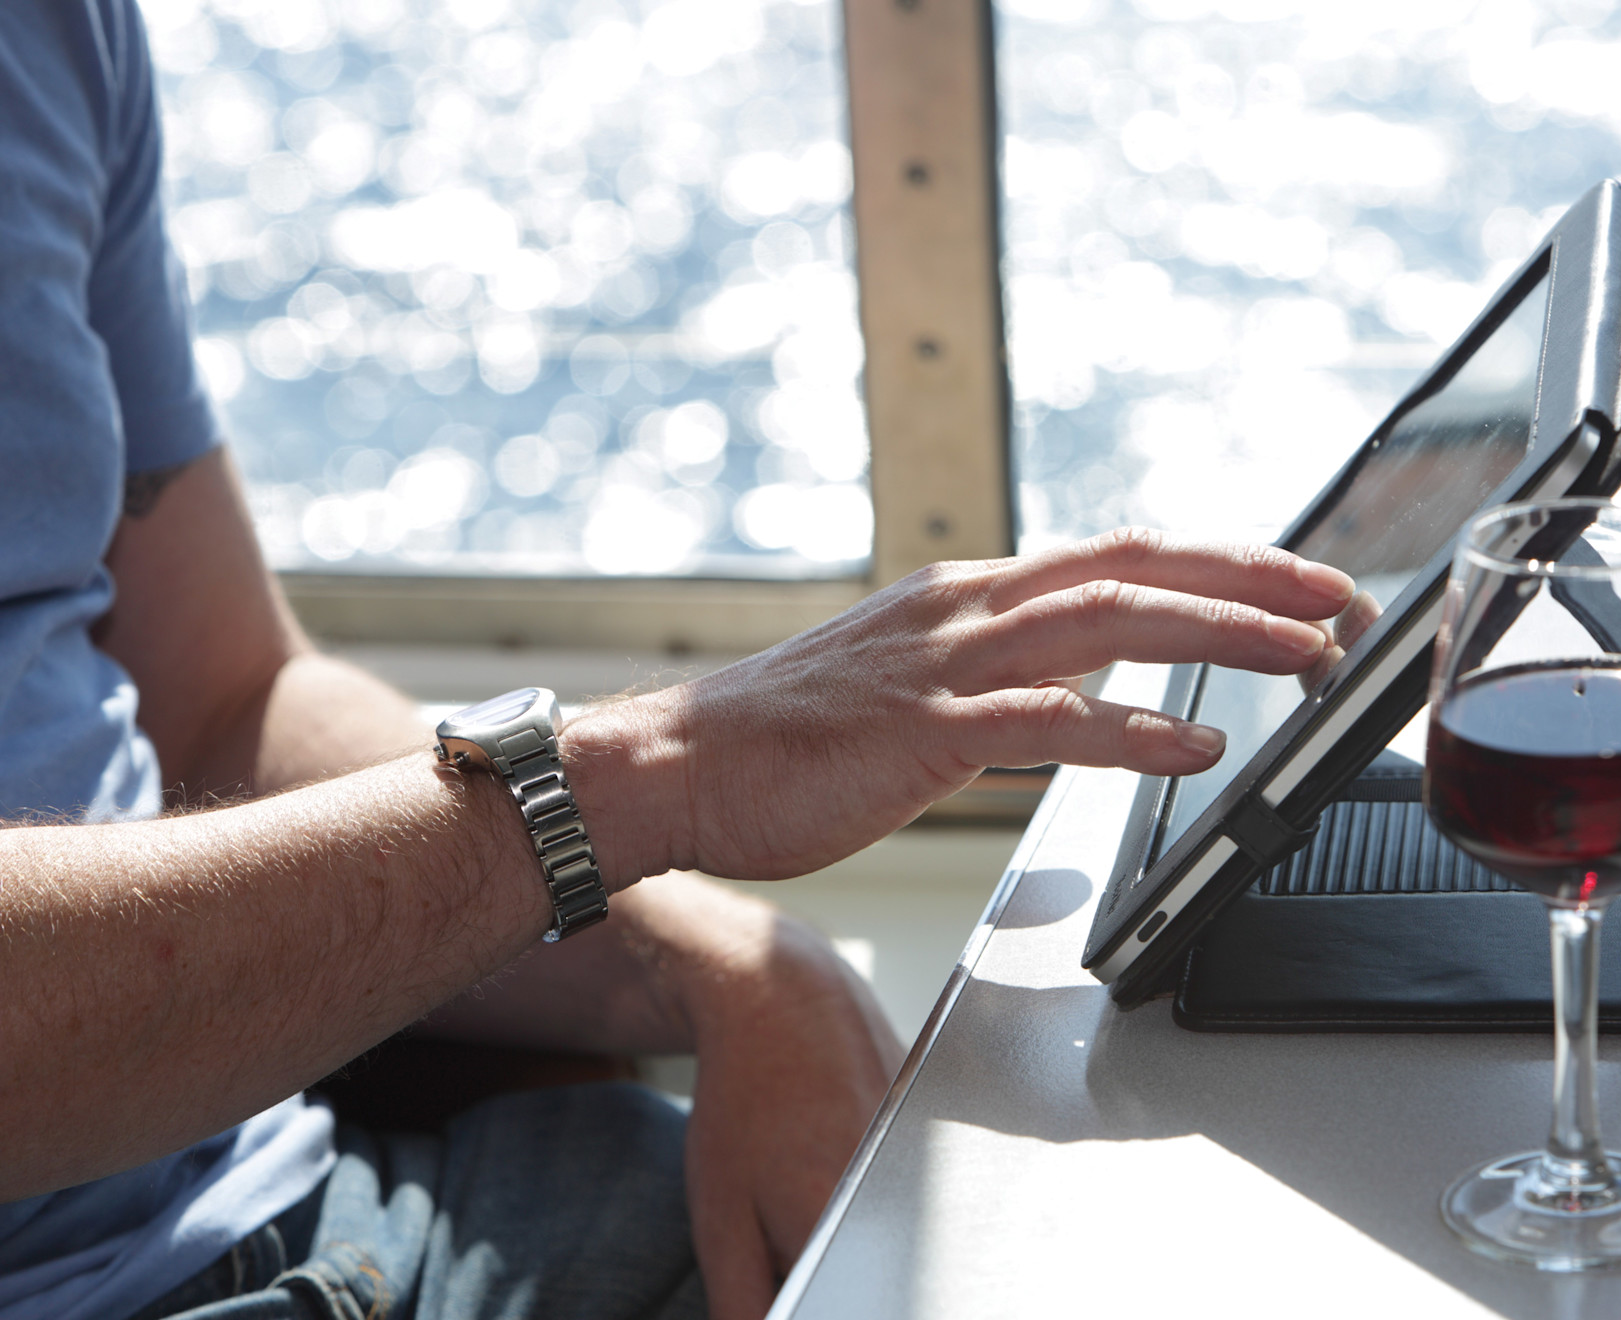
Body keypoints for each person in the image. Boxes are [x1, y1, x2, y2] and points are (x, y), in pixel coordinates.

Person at [0, 3, 1357, 1318]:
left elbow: (230, 701)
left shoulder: (58, 36)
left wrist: (709, 953)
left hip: (299, 1198)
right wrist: (642, 783)